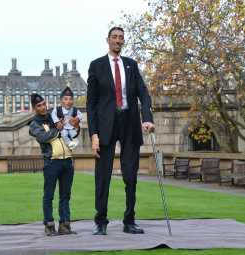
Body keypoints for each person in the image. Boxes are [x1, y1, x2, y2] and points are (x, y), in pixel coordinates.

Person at [86, 27, 155, 235]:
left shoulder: (131, 65)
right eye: (114, 37)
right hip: (106, 125)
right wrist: (94, 134)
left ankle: (129, 220)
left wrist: (148, 119)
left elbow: (143, 93)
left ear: (123, 42)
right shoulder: (96, 66)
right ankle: (100, 221)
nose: (118, 41)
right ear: (107, 40)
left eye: (121, 38)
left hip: (129, 123)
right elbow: (91, 103)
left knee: (130, 175)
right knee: (103, 175)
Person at [28, 93, 80, 237]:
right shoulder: (34, 124)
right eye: (39, 106)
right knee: (48, 195)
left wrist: (76, 125)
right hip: (51, 162)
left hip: (67, 160)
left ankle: (64, 225)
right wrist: (57, 129)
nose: (43, 107)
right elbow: (43, 137)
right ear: (34, 108)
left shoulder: (56, 116)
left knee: (65, 195)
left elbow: (71, 133)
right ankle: (49, 225)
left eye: (44, 104)